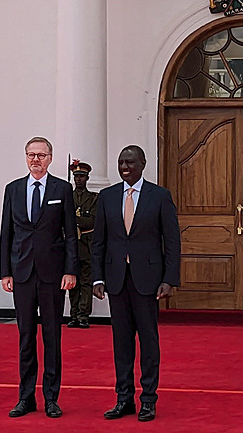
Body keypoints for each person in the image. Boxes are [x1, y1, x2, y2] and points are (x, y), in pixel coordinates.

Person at [92, 145, 180, 422]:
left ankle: (149, 399)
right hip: (116, 280)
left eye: (130, 162)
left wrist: (169, 279)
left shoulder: (160, 196)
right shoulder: (106, 197)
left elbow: (172, 241)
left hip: (148, 281)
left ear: (142, 163)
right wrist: (97, 277)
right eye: (120, 162)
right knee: (121, 343)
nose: (124, 167)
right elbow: (99, 243)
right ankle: (124, 398)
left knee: (149, 341)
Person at [0, 136, 78, 419]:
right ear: (25, 157)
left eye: (41, 155)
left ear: (50, 158)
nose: (36, 160)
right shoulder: (13, 189)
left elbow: (71, 234)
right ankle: (26, 397)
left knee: (52, 336)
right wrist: (4, 271)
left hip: (53, 275)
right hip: (21, 274)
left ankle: (52, 398)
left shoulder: (63, 189)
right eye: (31, 155)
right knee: (25, 337)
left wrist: (71, 270)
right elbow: (6, 232)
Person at [67, 160, 97, 329]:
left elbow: (92, 221)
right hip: (71, 245)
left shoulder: (93, 199)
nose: (79, 179)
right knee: (73, 282)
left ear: (87, 178)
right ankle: (73, 314)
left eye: (82, 177)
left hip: (86, 244)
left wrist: (73, 220)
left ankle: (84, 315)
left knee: (86, 281)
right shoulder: (67, 196)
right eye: (76, 176)